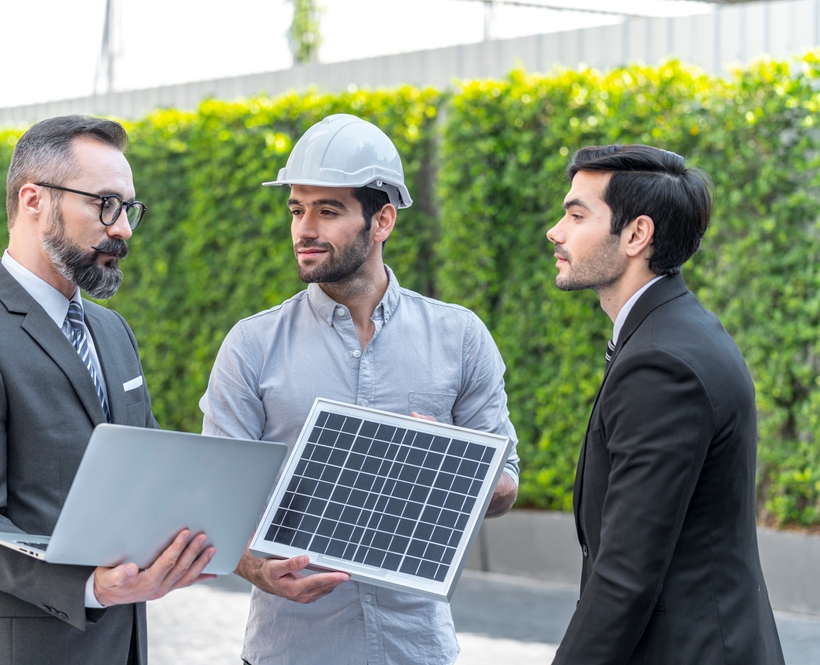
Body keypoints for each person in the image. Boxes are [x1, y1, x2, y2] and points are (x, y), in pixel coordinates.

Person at [199, 113, 521, 665]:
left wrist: (452, 466)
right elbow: (213, 503)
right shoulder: (251, 345)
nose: (304, 228)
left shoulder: (459, 337)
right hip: (291, 650)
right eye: (297, 209)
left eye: (329, 210)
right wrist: (259, 570)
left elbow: (507, 484)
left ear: (383, 221)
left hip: (416, 650)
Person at [0, 115, 215, 665]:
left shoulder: (114, 332)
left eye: (128, 210)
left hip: (122, 647)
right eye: (105, 205)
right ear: (34, 201)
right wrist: (89, 585)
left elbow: (151, 464)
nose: (122, 229)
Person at [546, 144, 785, 664]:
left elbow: (626, 572)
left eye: (576, 214)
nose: (556, 231)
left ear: (637, 234)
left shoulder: (661, 363)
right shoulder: (673, 330)